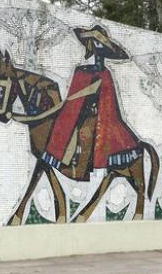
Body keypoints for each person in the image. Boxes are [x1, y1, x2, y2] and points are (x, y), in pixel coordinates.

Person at [41, 25, 142, 173]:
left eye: (99, 44)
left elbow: (105, 99)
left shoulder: (105, 74)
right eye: (93, 43)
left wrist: (80, 98)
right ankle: (66, 158)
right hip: (80, 113)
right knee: (66, 124)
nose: (95, 47)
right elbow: (74, 98)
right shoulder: (81, 72)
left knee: (88, 132)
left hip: (99, 115)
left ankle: (85, 165)